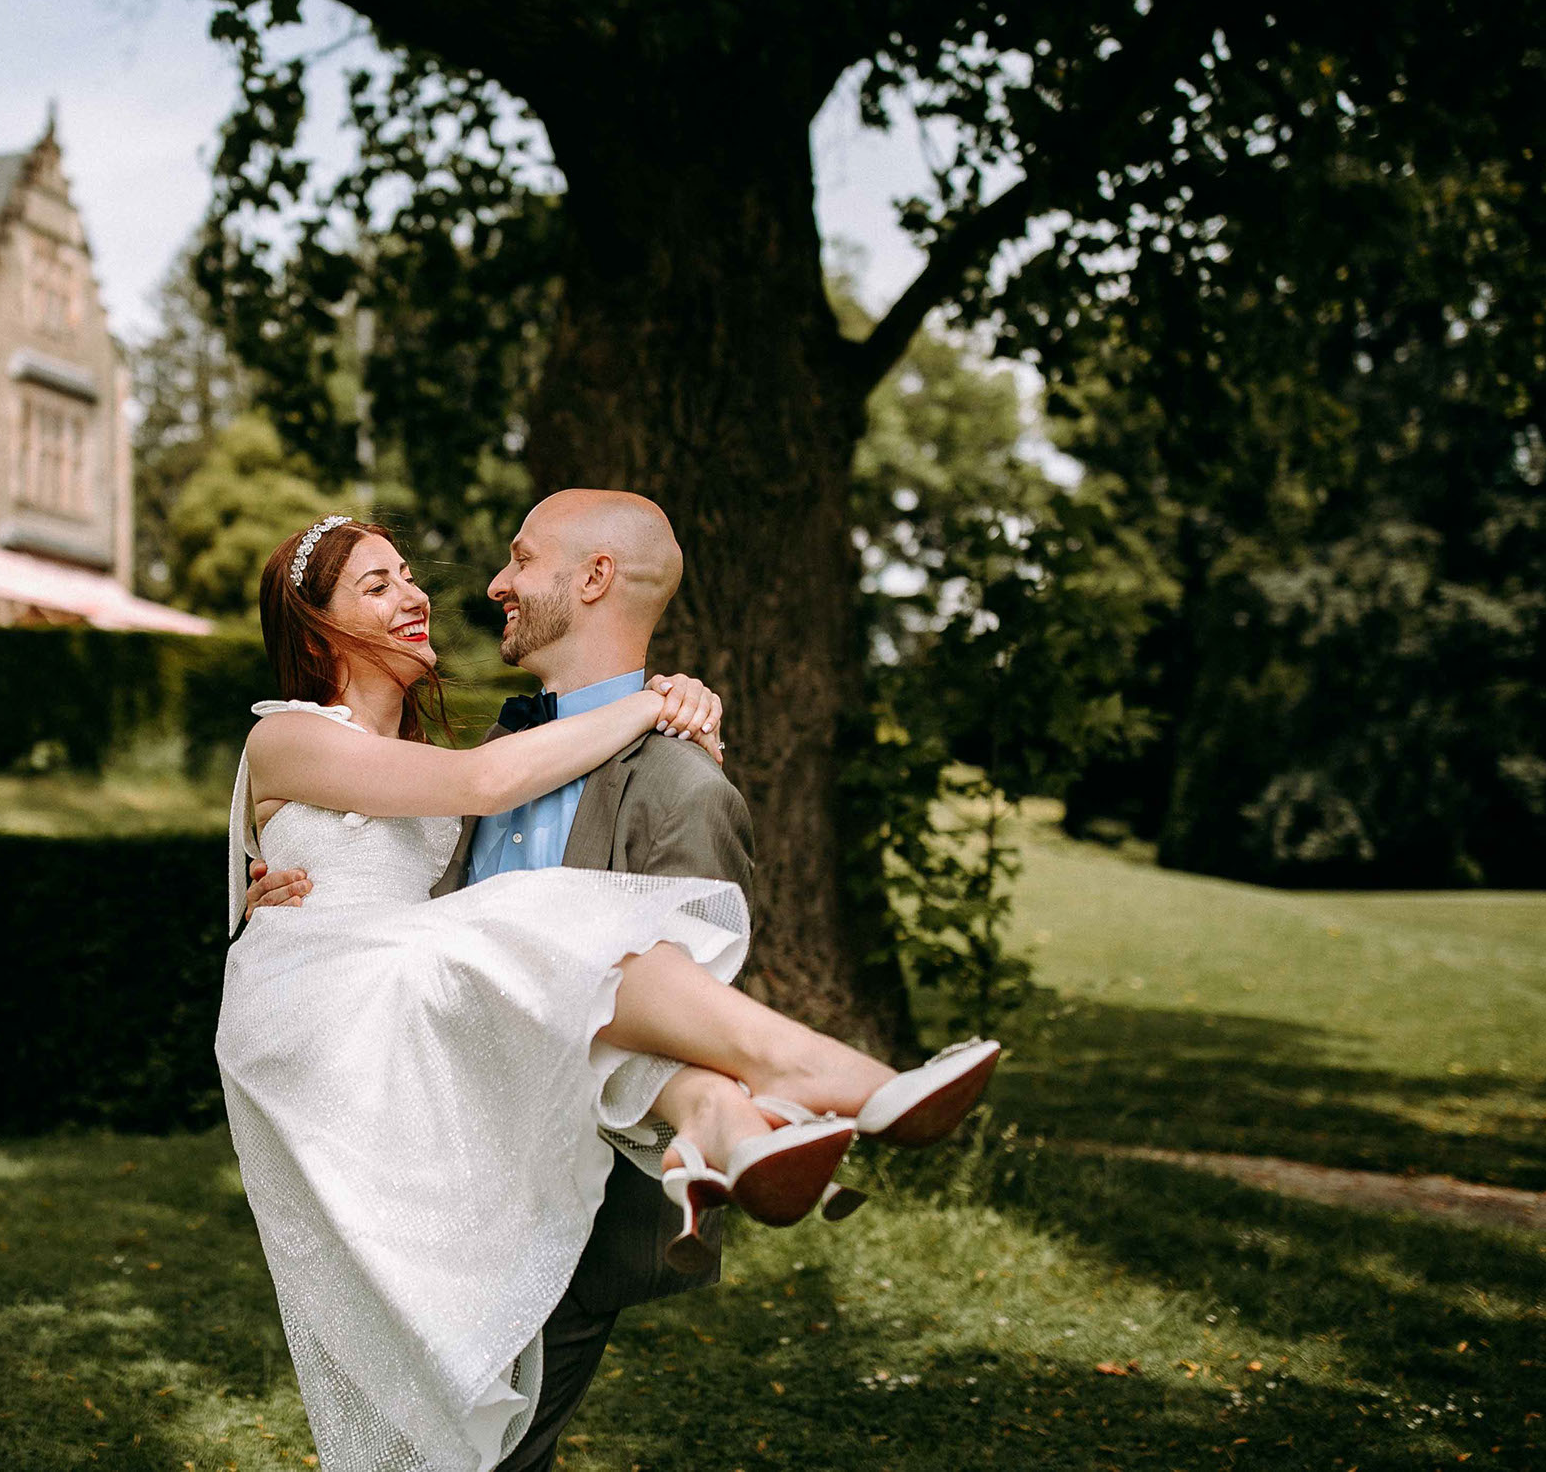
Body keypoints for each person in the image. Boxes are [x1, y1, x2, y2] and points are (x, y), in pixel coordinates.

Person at [219, 505, 1001, 1472]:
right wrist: (646, 701)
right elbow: (484, 789)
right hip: (334, 1027)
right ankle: (812, 1075)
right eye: (376, 586)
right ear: (312, 629)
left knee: (546, 957)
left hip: (469, 1074)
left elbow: (651, 927)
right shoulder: (292, 740)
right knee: (527, 928)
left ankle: (728, 1115)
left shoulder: (462, 764)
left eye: (407, 573)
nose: (418, 594)